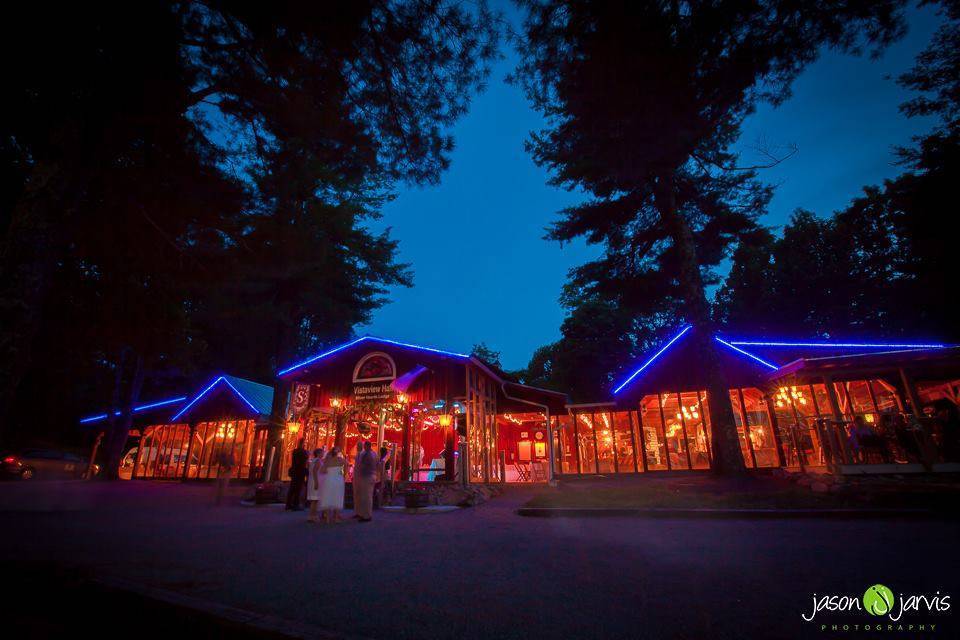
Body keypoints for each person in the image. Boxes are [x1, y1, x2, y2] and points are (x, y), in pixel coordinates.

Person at [319, 446, 347, 523]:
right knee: (337, 497)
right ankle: (336, 517)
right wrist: (342, 475)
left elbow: (322, 470)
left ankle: (327, 518)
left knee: (328, 496)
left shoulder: (327, 461)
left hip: (329, 479)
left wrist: (328, 471)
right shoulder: (341, 460)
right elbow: (346, 467)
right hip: (338, 479)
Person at [353, 441, 379, 522]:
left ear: (365, 446)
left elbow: (362, 465)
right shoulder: (374, 454)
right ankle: (363, 513)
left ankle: (366, 515)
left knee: (366, 496)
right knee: (366, 496)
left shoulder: (366, 454)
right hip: (371, 475)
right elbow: (377, 464)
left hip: (366, 476)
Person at [286, 438, 308, 511]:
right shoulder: (303, 452)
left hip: (295, 471)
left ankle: (288, 504)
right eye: (304, 443)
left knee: (292, 488)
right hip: (300, 471)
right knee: (298, 488)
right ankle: (296, 504)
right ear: (303, 443)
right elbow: (304, 462)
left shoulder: (295, 451)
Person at [306, 447, 326, 523]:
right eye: (322, 452)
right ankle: (312, 516)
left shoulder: (313, 461)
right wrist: (316, 482)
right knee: (315, 500)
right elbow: (315, 471)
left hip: (312, 480)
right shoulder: (317, 461)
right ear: (318, 453)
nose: (323, 454)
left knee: (314, 500)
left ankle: (312, 515)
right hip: (315, 480)